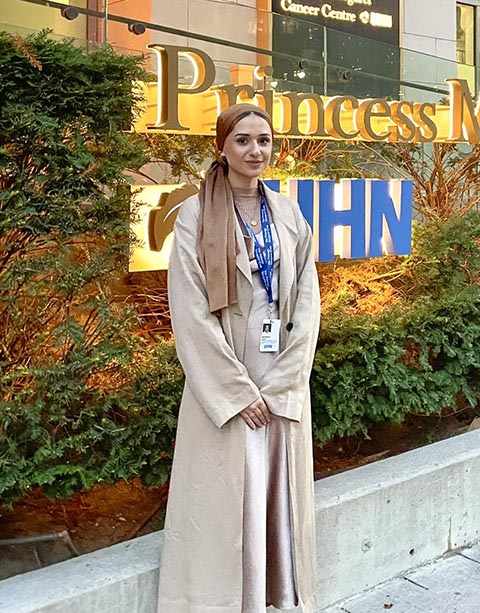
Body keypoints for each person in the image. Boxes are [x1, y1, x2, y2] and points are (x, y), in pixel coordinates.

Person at [157, 103, 321, 613]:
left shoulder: (289, 212)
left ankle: (278, 597)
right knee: (229, 498)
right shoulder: (193, 217)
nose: (256, 151)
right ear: (222, 148)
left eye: (264, 141)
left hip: (279, 379)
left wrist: (284, 383)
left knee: (278, 493)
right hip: (227, 377)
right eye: (244, 140)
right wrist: (236, 392)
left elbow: (308, 299)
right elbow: (188, 311)